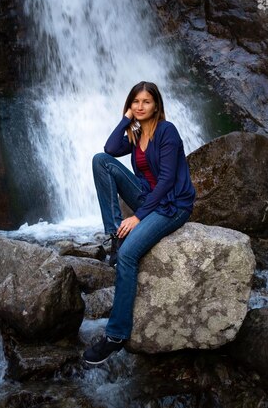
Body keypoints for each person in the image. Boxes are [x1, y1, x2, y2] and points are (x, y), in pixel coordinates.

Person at [83, 81, 196, 364]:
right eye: (135, 102)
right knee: (100, 161)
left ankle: (116, 335)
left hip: (172, 204)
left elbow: (168, 179)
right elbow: (109, 148)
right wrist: (126, 119)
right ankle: (114, 235)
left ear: (156, 105)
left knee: (129, 254)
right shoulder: (134, 133)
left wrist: (138, 216)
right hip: (147, 196)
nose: (140, 106)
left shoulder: (167, 132)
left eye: (146, 102)